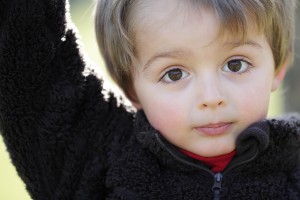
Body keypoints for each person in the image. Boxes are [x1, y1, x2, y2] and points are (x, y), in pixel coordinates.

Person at [0, 0, 299, 199]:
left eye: (235, 64)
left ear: (278, 67)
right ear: (131, 88)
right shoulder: (102, 164)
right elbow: (31, 70)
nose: (212, 98)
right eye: (174, 74)